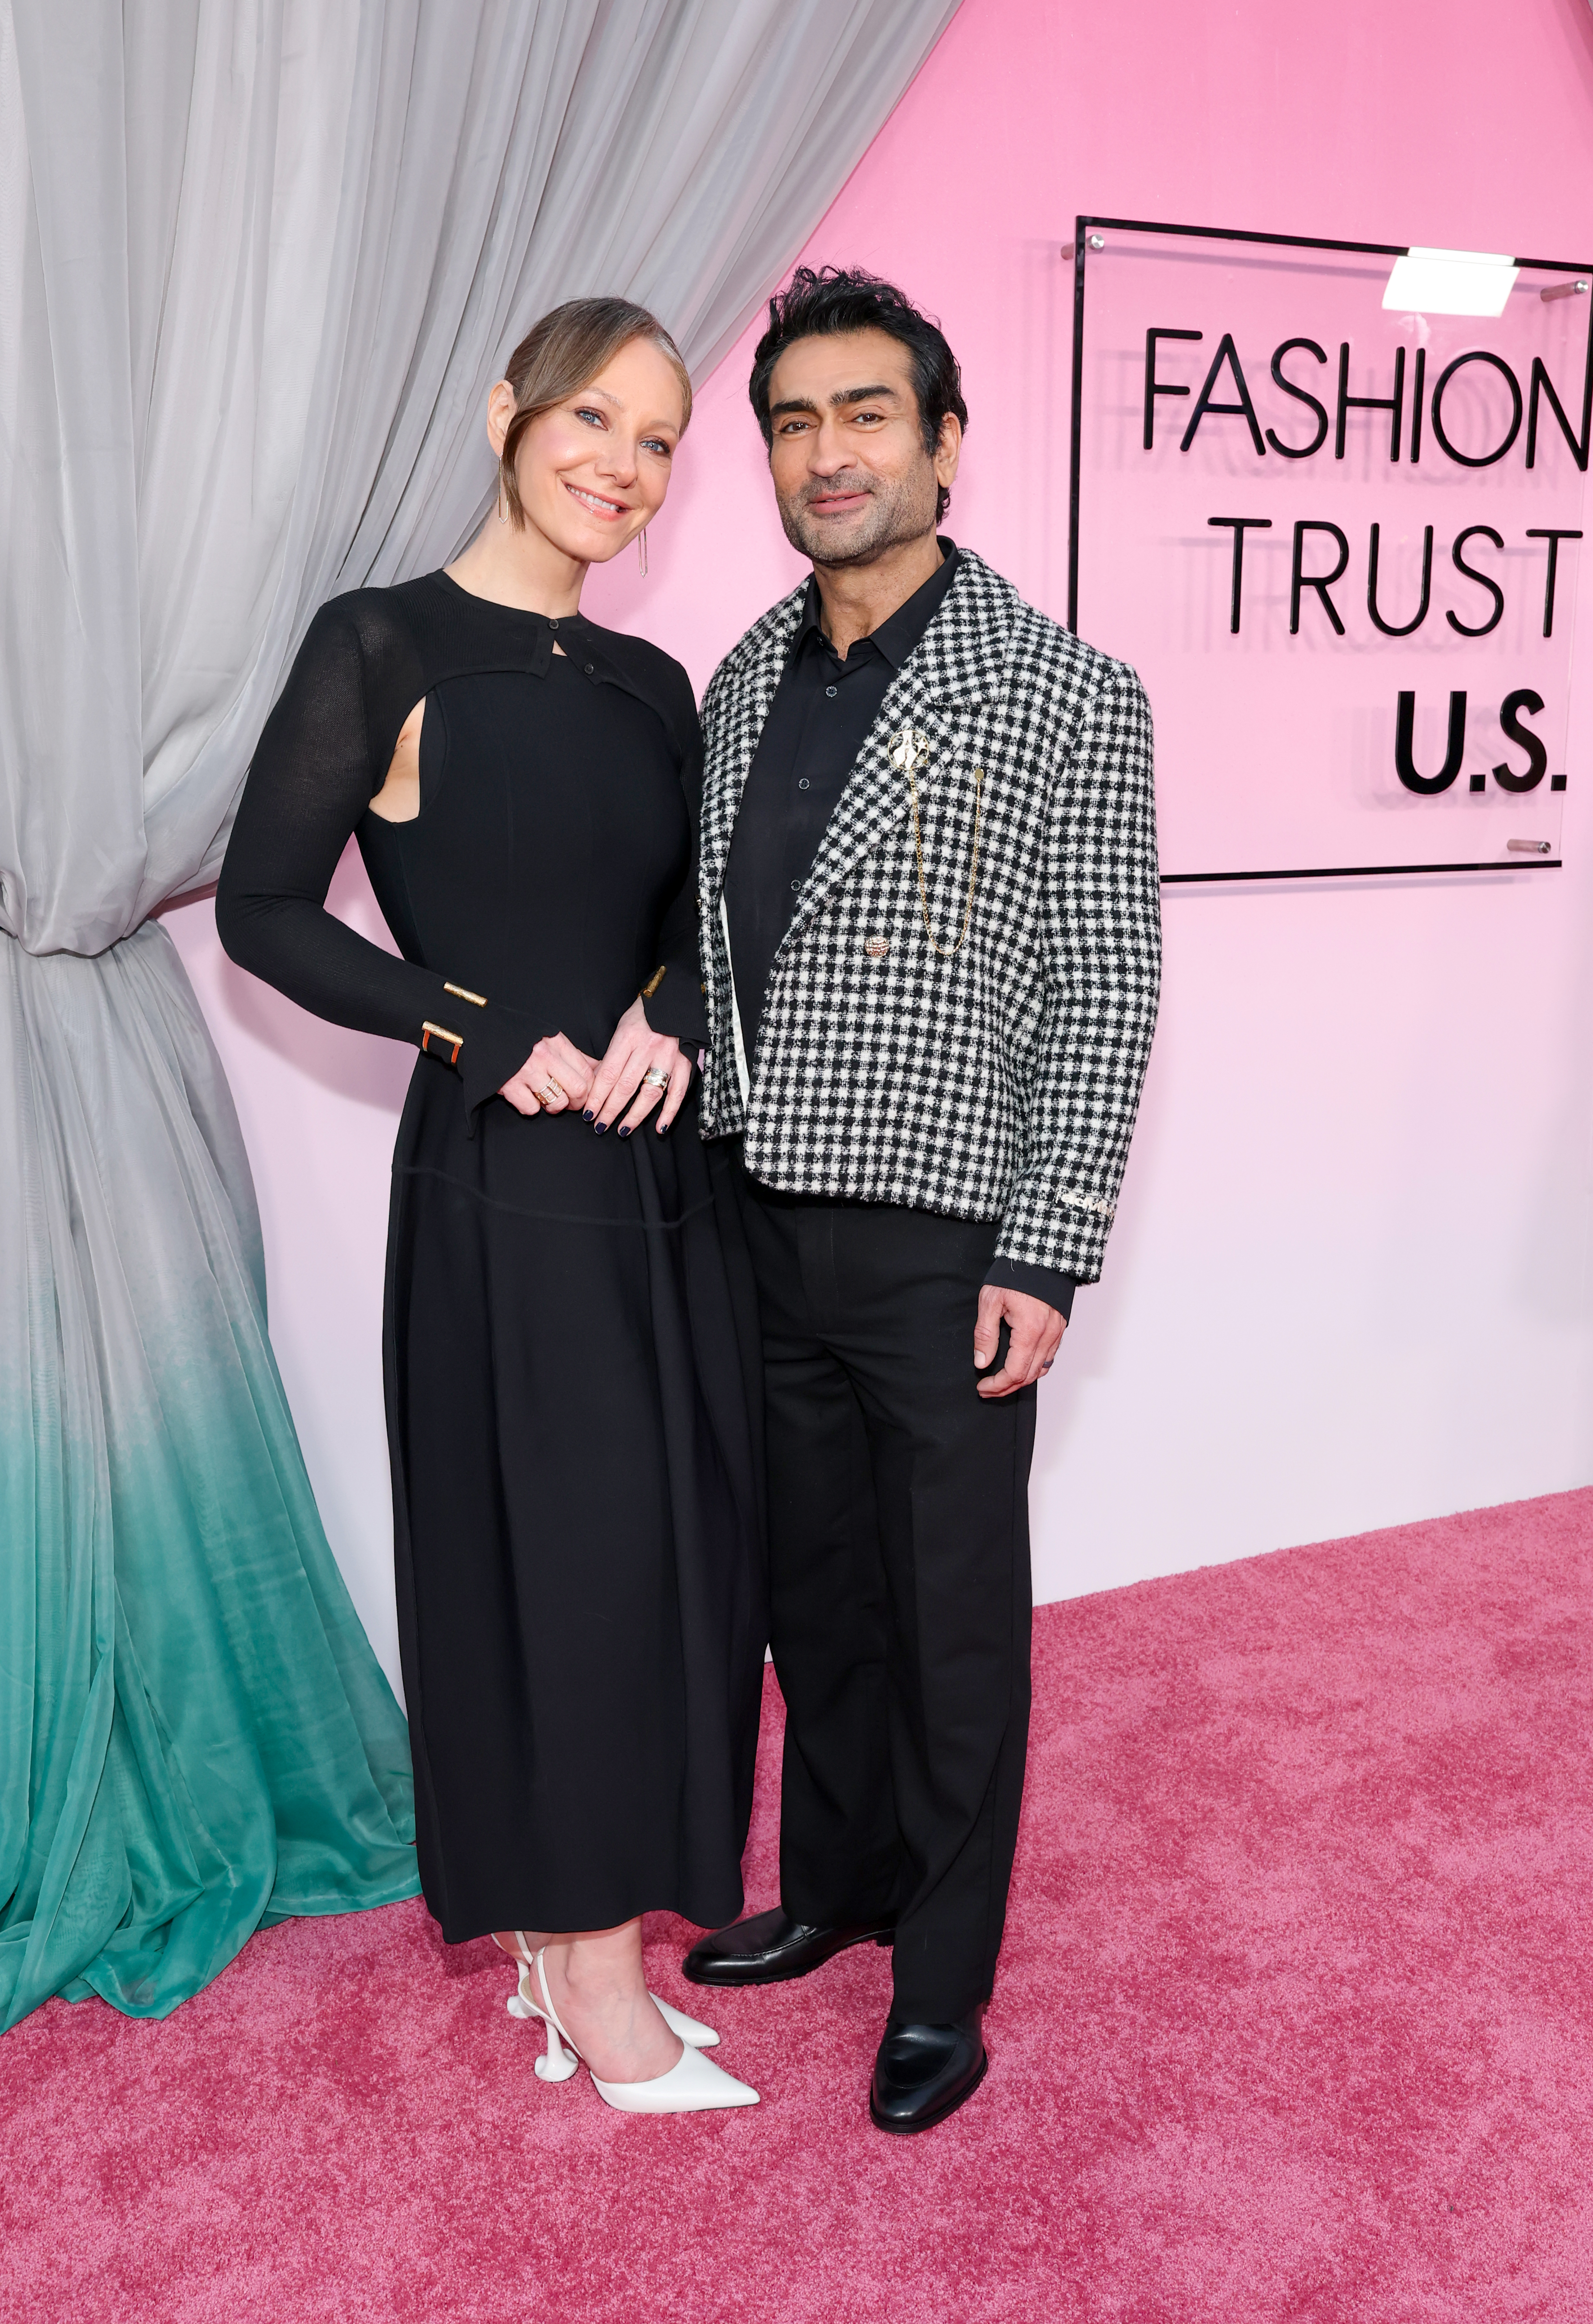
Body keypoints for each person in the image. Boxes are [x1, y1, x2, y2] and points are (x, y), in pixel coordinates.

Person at [217, 299, 765, 2115]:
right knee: (565, 1566)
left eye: (659, 440)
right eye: (593, 420)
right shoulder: (380, 646)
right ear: (503, 413)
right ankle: (586, 1967)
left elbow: (699, 920)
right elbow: (267, 913)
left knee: (677, 1554)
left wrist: (666, 1023)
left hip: (658, 1171)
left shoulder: (647, 686)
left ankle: (585, 1929)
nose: (622, 464)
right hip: (507, 1181)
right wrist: (470, 1026)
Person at [681, 267, 1162, 2133]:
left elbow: (1103, 985)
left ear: (943, 444)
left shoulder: (1062, 691)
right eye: (794, 420)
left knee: (951, 1611)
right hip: (759, 1214)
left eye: (864, 413)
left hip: (948, 1237)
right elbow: (713, 946)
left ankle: (941, 1981)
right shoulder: (737, 677)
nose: (827, 452)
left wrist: (1046, 1242)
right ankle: (838, 1883)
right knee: (818, 1593)